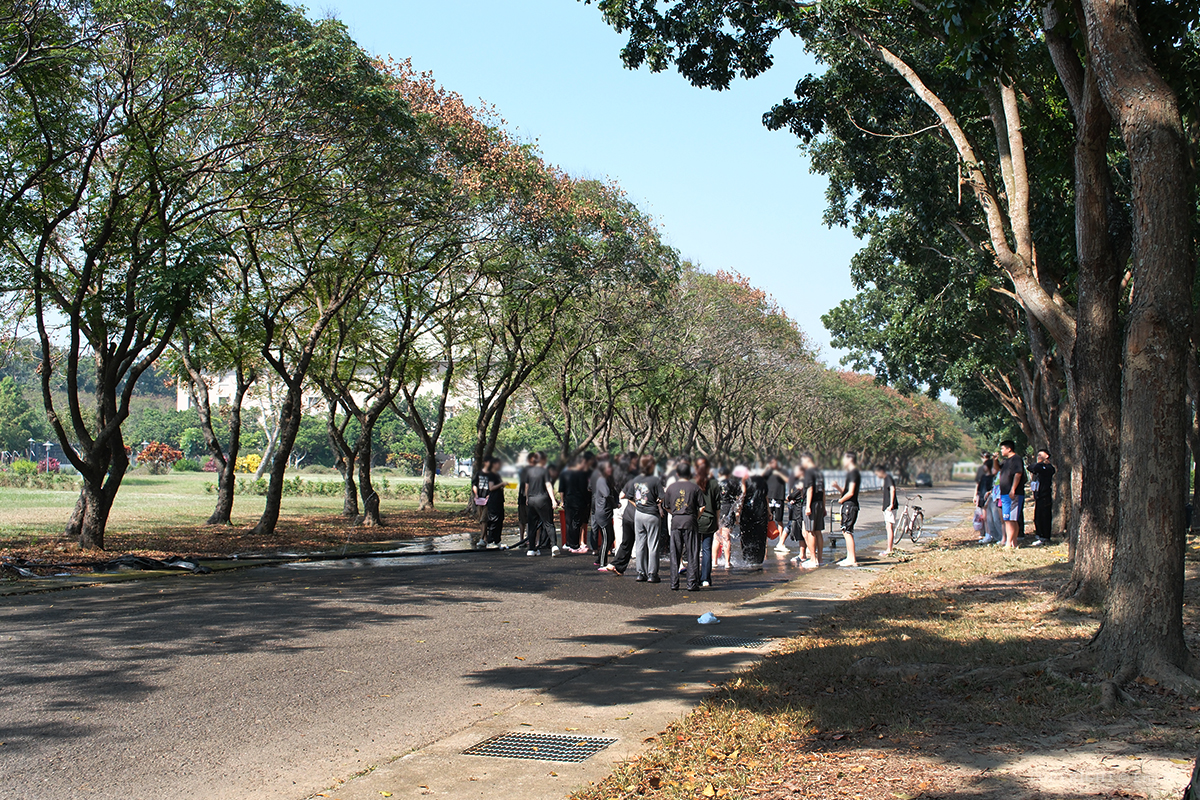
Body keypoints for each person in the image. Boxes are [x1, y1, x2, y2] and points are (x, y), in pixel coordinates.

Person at [664, 461, 703, 591]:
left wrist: (675, 513)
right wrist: (695, 516)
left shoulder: (671, 488)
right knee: (692, 552)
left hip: (676, 521)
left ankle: (674, 583)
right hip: (691, 521)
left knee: (675, 553)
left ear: (677, 473)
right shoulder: (695, 487)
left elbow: (666, 506)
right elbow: (702, 506)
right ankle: (692, 583)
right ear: (690, 473)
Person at [629, 454, 664, 582]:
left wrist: (638, 505)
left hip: (639, 514)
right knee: (653, 544)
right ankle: (652, 574)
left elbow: (629, 496)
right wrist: (657, 503)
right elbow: (661, 496)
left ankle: (640, 573)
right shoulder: (655, 480)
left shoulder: (636, 479)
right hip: (652, 515)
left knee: (640, 544)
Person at [524, 452, 560, 557]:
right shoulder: (544, 471)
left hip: (531, 500)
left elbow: (526, 486)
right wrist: (553, 500)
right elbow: (548, 485)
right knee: (548, 523)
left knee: (532, 525)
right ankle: (554, 546)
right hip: (543, 499)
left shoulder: (528, 472)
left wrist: (527, 498)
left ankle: (531, 549)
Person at [832, 452, 861, 566]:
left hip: (850, 506)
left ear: (850, 459)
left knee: (847, 531)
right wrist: (838, 487)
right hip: (848, 504)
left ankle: (852, 559)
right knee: (845, 531)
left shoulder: (854, 473)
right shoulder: (851, 473)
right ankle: (849, 557)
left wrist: (841, 500)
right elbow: (846, 491)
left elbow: (851, 492)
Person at [695, 457, 720, 587]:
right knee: (706, 550)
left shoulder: (693, 482)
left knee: (694, 549)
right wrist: (717, 521)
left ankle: (694, 576)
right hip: (709, 520)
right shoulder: (715, 483)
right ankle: (705, 578)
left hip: (695, 519)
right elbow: (717, 506)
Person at [797, 453, 825, 568]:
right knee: (818, 531)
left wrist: (808, 506)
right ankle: (820, 559)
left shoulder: (809, 472)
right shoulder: (819, 472)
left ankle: (813, 559)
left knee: (810, 531)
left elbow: (810, 488)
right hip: (819, 503)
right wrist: (824, 506)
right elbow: (823, 491)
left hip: (811, 504)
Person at [997, 440, 1026, 549]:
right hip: (1004, 494)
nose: (1001, 451)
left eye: (1002, 448)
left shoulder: (1016, 459)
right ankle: (1013, 542)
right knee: (1007, 518)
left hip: (1013, 494)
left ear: (1009, 449)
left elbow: (1018, 474)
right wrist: (995, 460)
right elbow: (997, 469)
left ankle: (1009, 543)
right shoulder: (1005, 461)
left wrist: (1013, 489)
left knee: (1012, 519)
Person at [559, 455, 591, 553]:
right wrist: (587, 501)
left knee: (569, 522)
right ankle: (575, 545)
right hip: (578, 500)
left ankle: (568, 543)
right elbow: (584, 489)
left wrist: (562, 500)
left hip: (568, 499)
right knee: (576, 522)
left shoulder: (564, 473)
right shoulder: (581, 474)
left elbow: (561, 489)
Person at [738, 469, 770, 567]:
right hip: (761, 510)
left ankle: (747, 557)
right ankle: (759, 559)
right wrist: (769, 511)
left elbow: (743, 495)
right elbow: (766, 496)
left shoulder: (745, 480)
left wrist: (738, 511)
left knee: (746, 534)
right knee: (760, 536)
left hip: (748, 511)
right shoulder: (763, 481)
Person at [591, 460, 617, 569]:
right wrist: (615, 504)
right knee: (607, 538)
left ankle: (599, 559)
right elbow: (606, 495)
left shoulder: (607, 479)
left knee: (611, 537)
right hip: (602, 513)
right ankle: (602, 563)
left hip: (605, 512)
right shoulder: (602, 480)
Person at [1029, 449, 1055, 546]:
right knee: (1037, 516)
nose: (1038, 456)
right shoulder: (1038, 467)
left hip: (1045, 495)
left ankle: (1045, 536)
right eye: (1038, 454)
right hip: (1038, 495)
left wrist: (1040, 464)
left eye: (1041, 454)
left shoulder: (1048, 468)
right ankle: (1039, 535)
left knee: (1045, 516)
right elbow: (1031, 467)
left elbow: (1039, 468)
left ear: (1047, 456)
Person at [715, 465, 740, 568]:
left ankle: (714, 562)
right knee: (726, 537)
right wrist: (738, 512)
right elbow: (739, 497)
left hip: (717, 509)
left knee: (716, 537)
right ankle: (727, 562)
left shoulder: (714, 483)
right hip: (728, 509)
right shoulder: (733, 483)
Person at [479, 458, 505, 549]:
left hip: (499, 500)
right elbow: (491, 487)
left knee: (500, 520)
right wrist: (501, 484)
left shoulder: (497, 475)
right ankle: (490, 541)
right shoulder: (491, 475)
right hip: (493, 500)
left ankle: (497, 540)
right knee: (493, 520)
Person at [764, 458, 789, 554]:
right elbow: (761, 478)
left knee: (779, 520)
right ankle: (765, 542)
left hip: (779, 497)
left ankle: (780, 542)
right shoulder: (768, 472)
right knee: (767, 519)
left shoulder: (783, 471)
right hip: (769, 497)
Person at [786, 464, 808, 563]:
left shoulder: (802, 482)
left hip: (799, 510)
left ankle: (803, 554)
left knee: (801, 533)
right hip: (797, 509)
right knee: (800, 533)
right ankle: (803, 553)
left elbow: (792, 496)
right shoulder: (798, 482)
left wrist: (790, 498)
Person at [875, 465, 898, 555]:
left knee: (889, 527)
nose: (877, 475)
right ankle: (889, 548)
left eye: (877, 473)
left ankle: (889, 549)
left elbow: (892, 489)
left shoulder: (888, 478)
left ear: (881, 471)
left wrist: (891, 504)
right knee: (888, 527)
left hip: (890, 507)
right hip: (887, 506)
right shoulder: (886, 479)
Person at [975, 454, 998, 544]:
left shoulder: (992, 478)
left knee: (991, 518)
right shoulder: (983, 476)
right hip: (982, 498)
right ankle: (987, 534)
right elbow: (979, 488)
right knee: (985, 518)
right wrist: (977, 497)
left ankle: (992, 534)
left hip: (990, 499)